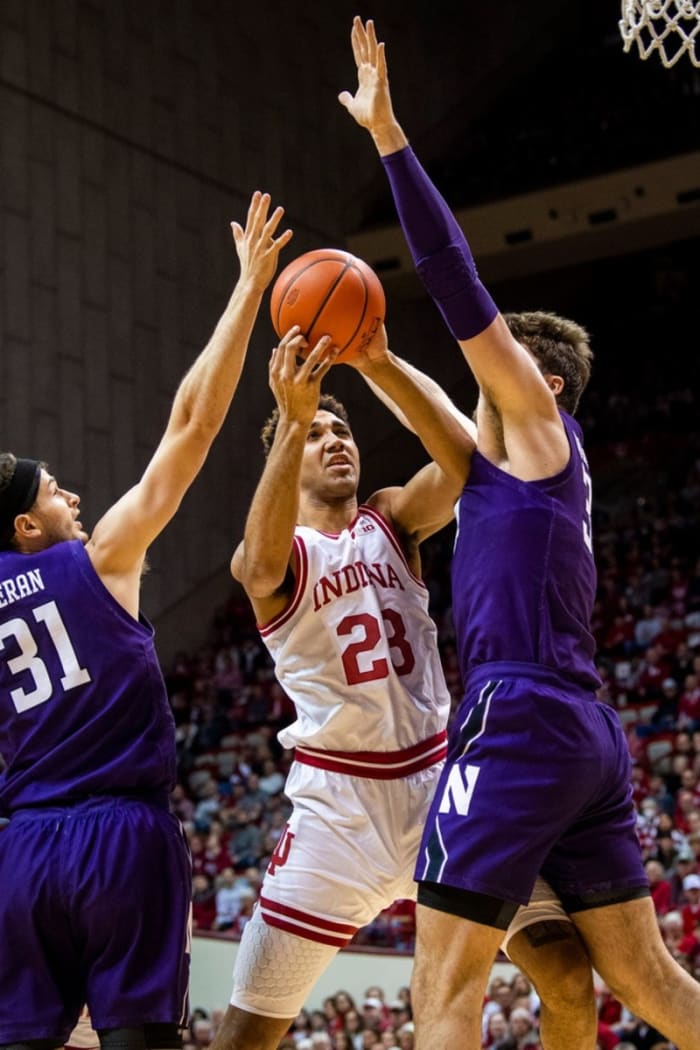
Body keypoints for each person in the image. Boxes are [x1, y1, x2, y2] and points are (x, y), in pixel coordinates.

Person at [338, 15, 700, 1049]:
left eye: (492, 365)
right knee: (644, 981)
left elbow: (453, 279)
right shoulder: (512, 469)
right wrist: (369, 359)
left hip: (519, 715)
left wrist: (389, 140)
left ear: (537, 382)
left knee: (442, 987)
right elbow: (437, 425)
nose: (474, 375)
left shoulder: (540, 426)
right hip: (581, 731)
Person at [210, 319, 598, 1050]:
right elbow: (255, 571)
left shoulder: (391, 518)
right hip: (337, 815)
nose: (337, 441)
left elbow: (463, 467)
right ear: (288, 458)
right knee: (243, 1036)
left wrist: (380, 362)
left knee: (568, 970)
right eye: (319, 433)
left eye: (343, 432)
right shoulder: (277, 553)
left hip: (440, 790)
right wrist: (293, 420)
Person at [0, 191, 292, 1050]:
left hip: (20, 850)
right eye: (56, 491)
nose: (74, 496)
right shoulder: (98, 560)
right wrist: (247, 290)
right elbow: (193, 427)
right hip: (119, 837)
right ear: (25, 526)